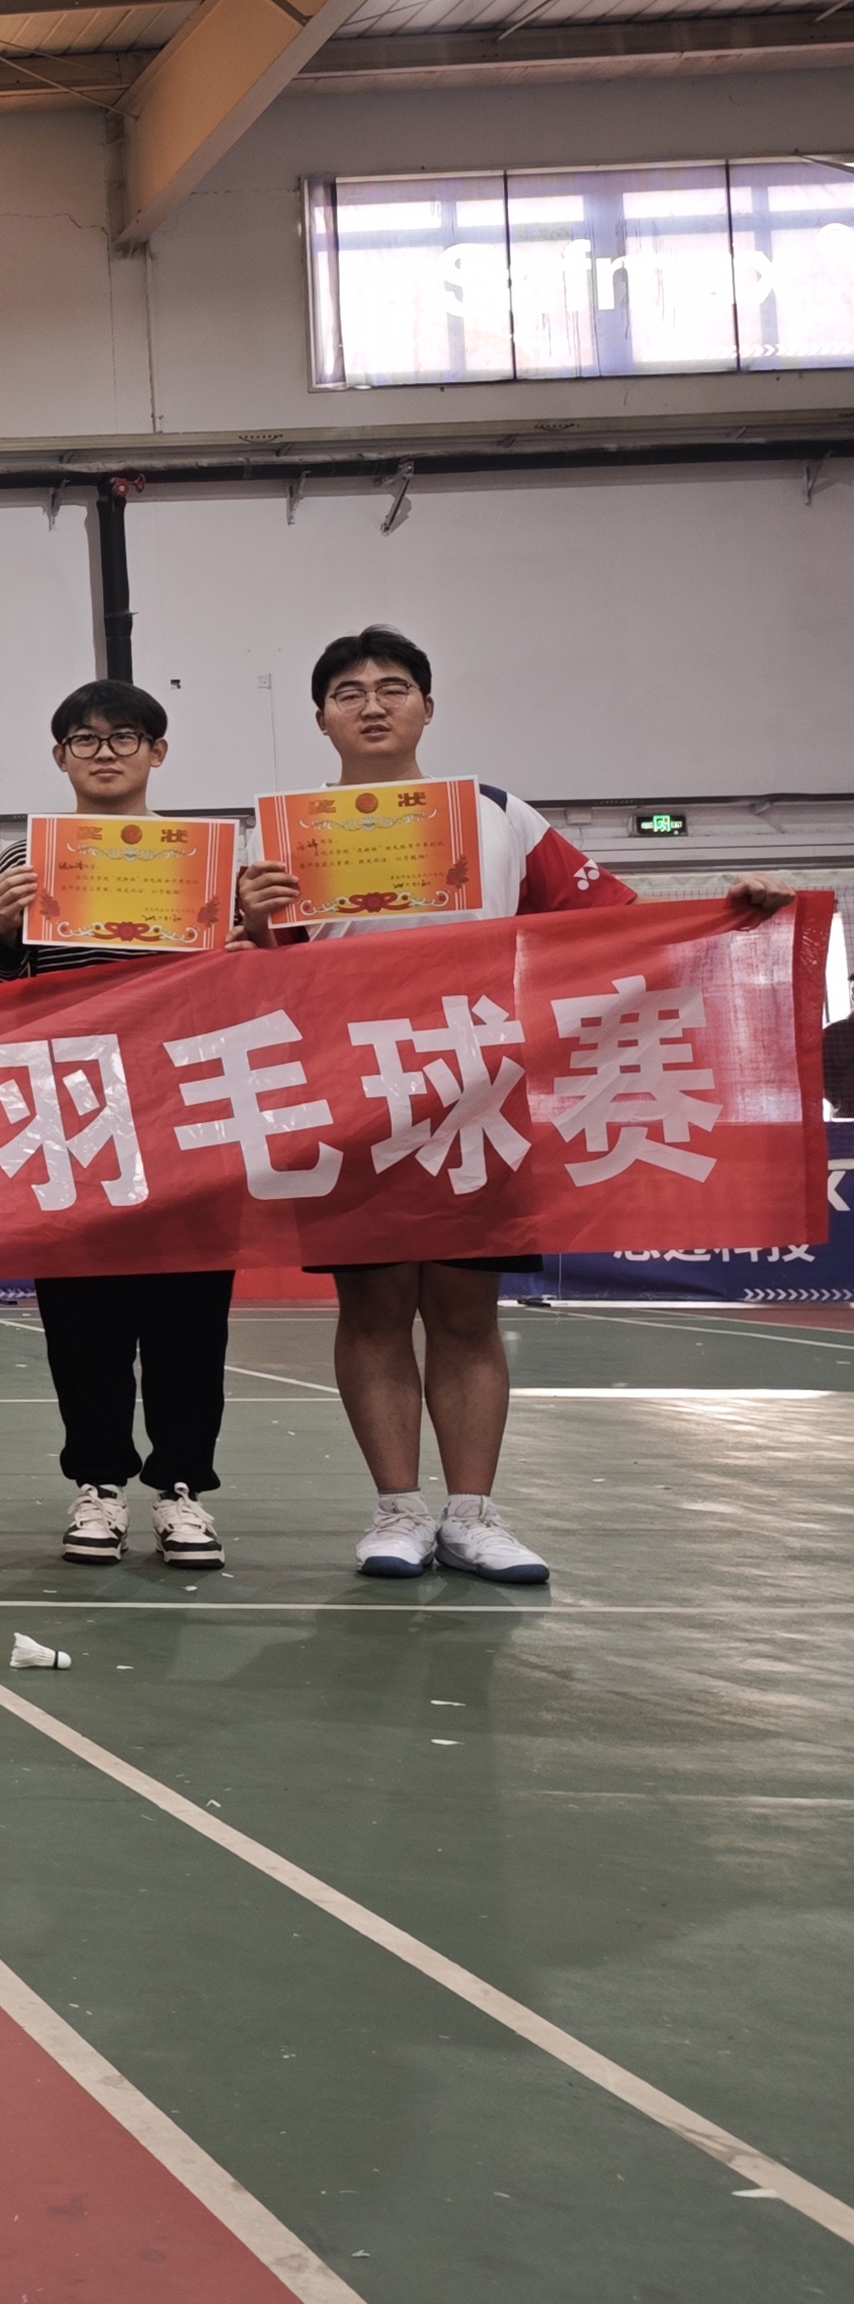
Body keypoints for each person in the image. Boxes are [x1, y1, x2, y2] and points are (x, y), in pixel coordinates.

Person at [231, 626, 798, 1586]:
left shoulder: (500, 816)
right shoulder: (278, 835)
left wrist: (728, 907)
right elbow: (246, 982)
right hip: (350, 1094)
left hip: (478, 1089)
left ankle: (472, 1516)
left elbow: (616, 926)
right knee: (373, 1307)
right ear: (320, 717)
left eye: (394, 687)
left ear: (428, 706)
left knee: (465, 1309)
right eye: (348, 692)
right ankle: (398, 1512)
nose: (373, 705)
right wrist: (254, 923)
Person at [0, 679, 243, 1571]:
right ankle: (99, 1484)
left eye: (125, 737)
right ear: (60, 757)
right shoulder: (23, 861)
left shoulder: (209, 861)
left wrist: (253, 947)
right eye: (86, 739)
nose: (106, 752)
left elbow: (259, 994)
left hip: (189, 1116)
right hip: (74, 1118)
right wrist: (4, 934)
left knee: (191, 1316)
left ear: (159, 752)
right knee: (83, 1319)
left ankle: (184, 1490)